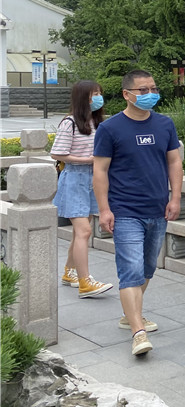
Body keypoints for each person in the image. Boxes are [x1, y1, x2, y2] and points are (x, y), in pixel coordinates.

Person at [93, 70, 183, 357]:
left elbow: (174, 162)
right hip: (125, 210)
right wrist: (104, 209)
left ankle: (128, 314)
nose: (150, 94)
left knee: (146, 269)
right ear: (126, 94)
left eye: (153, 89)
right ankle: (138, 332)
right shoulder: (110, 128)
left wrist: (175, 197)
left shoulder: (165, 124)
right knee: (130, 270)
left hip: (157, 208)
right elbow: (100, 170)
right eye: (143, 90)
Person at [52, 80, 113, 297]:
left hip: (93, 179)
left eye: (99, 93)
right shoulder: (69, 123)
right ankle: (85, 282)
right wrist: (88, 160)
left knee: (80, 231)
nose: (98, 98)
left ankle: (70, 272)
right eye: (93, 94)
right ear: (82, 97)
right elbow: (57, 153)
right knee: (84, 231)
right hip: (75, 179)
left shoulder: (97, 122)